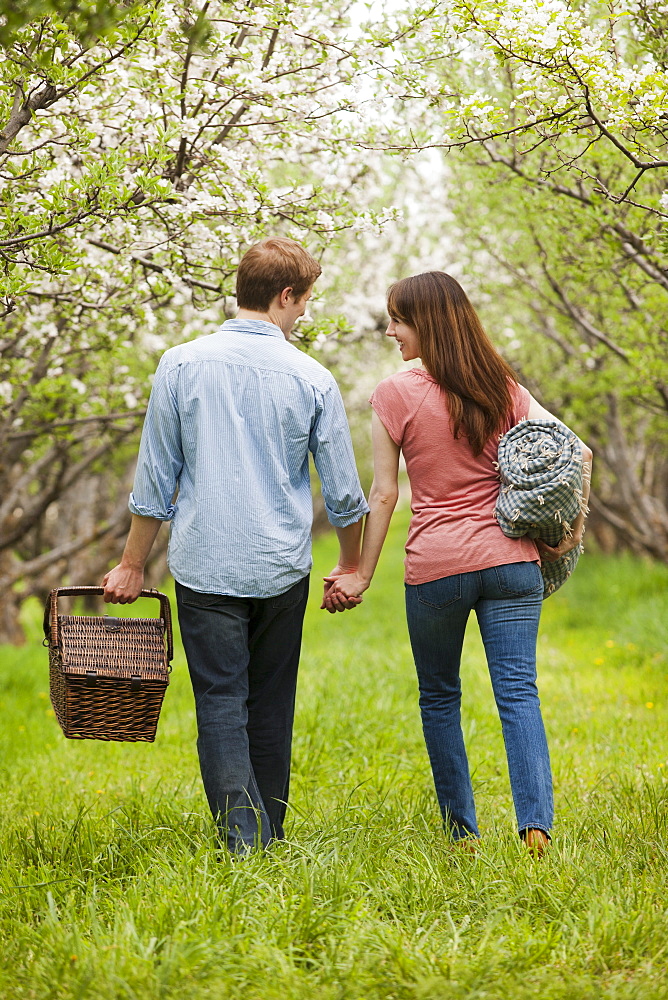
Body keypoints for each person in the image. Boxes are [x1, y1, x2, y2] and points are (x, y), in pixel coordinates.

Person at [103, 237, 368, 854]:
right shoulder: (314, 378)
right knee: (272, 701)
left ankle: (241, 843)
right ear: (284, 296)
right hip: (281, 566)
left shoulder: (179, 364)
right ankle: (267, 836)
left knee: (221, 699)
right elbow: (345, 491)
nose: (303, 312)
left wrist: (132, 563)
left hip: (205, 562)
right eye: (303, 301)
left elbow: (155, 480)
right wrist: (351, 564)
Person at [324, 271, 593, 854]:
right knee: (519, 694)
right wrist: (566, 536)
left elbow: (386, 495)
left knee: (440, 696)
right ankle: (536, 830)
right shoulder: (500, 384)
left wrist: (361, 575)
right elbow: (578, 451)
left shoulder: (394, 393)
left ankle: (463, 835)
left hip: (437, 568)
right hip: (511, 560)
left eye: (398, 319)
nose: (391, 331)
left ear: (427, 321)